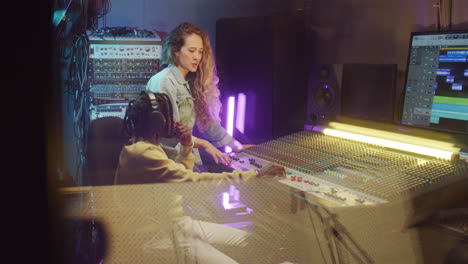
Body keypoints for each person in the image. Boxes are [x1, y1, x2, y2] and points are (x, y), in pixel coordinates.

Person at [114, 91, 286, 263]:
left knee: (247, 240)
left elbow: (178, 180)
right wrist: (253, 176)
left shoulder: (143, 146)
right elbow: (192, 184)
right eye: (169, 116)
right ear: (158, 122)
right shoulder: (142, 153)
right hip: (156, 237)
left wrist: (187, 145)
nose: (174, 121)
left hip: (176, 225)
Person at [146, 22, 250, 167]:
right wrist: (205, 144)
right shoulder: (164, 82)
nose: (197, 57)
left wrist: (236, 146)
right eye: (192, 50)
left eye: (200, 51)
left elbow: (207, 122)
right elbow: (170, 133)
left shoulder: (188, 81)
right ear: (176, 51)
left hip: (184, 157)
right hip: (170, 162)